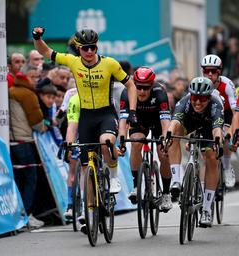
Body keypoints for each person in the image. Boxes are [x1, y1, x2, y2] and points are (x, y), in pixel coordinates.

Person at [32, 27, 137, 194]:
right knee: (85, 166)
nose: (89, 51)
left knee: (106, 142)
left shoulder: (109, 64)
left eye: (93, 47)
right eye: (85, 48)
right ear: (78, 48)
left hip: (105, 114)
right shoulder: (72, 62)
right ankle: (88, 210)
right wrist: (37, 37)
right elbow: (46, 51)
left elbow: (130, 85)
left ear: (97, 47)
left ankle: (114, 177)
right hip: (86, 117)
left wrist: (132, 111)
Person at [167, 76, 224, 227]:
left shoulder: (215, 105)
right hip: (190, 124)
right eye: (195, 97)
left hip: (208, 127)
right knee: (173, 134)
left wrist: (218, 142)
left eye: (202, 99)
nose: (198, 102)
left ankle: (206, 209)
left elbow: (217, 130)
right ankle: (177, 180)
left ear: (209, 97)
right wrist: (168, 134)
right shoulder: (185, 101)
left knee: (211, 157)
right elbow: (175, 121)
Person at [119, 67, 173, 211]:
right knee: (136, 143)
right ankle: (136, 186)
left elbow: (165, 121)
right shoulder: (127, 92)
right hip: (139, 120)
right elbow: (123, 120)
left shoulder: (160, 92)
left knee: (163, 153)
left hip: (157, 121)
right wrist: (122, 141)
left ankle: (166, 193)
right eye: (139, 87)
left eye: (145, 88)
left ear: (152, 85)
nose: (141, 91)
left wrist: (165, 140)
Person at [9, 64, 47, 229]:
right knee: (31, 178)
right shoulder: (28, 94)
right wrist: (44, 127)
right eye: (34, 77)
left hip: (11, 141)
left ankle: (19, 214)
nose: (36, 81)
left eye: (38, 77)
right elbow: (37, 121)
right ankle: (27, 215)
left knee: (18, 179)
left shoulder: (11, 91)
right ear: (25, 77)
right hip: (24, 140)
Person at [201, 54, 237, 188]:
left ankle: (227, 167)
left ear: (219, 72)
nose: (209, 74)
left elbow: (235, 112)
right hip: (208, 114)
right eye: (206, 71)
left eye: (213, 71)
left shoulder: (227, 84)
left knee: (225, 136)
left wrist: (233, 131)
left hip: (226, 113)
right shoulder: (199, 83)